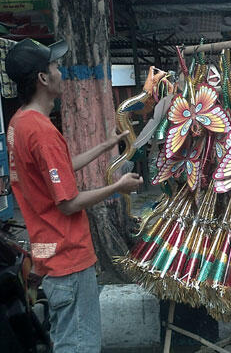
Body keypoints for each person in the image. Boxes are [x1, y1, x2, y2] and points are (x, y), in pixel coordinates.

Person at [5, 38, 143, 352]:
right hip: (68, 257)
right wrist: (118, 187)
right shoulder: (41, 132)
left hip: (51, 256)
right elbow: (67, 202)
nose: (60, 71)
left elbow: (59, 171)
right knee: (78, 345)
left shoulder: (20, 124)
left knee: (68, 339)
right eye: (54, 66)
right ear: (43, 78)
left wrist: (107, 146)